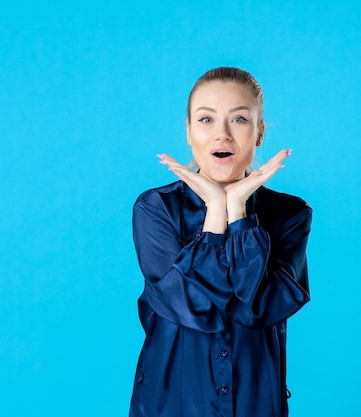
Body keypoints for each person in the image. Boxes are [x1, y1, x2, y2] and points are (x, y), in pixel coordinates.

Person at [129, 67, 312, 417]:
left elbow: (255, 309)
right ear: (188, 131)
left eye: (239, 120)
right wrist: (217, 211)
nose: (222, 135)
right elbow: (196, 308)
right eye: (206, 120)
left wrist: (238, 213)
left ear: (259, 133)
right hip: (172, 401)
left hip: (255, 402)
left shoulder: (290, 215)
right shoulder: (156, 210)